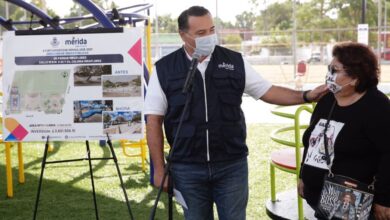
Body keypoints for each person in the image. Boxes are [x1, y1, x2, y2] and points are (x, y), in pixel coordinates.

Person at [144, 6, 327, 220]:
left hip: (231, 165)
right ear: (183, 35)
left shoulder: (234, 61)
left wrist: (306, 95)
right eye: (201, 33)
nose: (209, 37)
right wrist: (158, 169)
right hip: (187, 168)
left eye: (211, 30)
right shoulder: (164, 68)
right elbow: (153, 121)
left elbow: (268, 91)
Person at [298, 42, 390, 220]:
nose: (328, 75)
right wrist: (304, 174)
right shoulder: (327, 100)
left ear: (355, 78)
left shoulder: (377, 107)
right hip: (318, 196)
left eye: (335, 70)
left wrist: (385, 199)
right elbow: (312, 140)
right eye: (328, 69)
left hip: (353, 202)